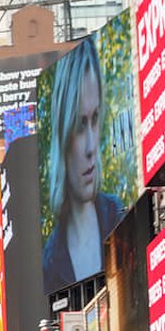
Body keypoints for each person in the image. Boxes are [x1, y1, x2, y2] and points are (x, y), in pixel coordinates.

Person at [40, 37, 126, 291]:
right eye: (79, 125)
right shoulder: (50, 263)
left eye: (95, 118)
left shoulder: (119, 216)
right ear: (62, 133)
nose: (91, 147)